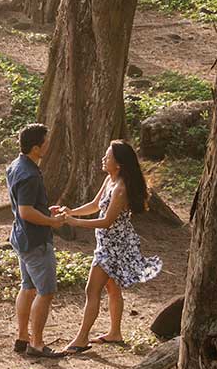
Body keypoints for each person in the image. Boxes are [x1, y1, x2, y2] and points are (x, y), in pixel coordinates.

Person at [58, 141, 162, 353]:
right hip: (107, 243)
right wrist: (72, 212)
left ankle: (81, 339)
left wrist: (75, 223)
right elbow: (95, 206)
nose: (104, 159)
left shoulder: (121, 189)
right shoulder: (109, 180)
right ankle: (115, 333)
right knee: (112, 289)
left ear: (119, 164)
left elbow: (107, 221)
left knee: (91, 289)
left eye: (108, 156)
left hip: (115, 247)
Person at [5, 123, 67, 359]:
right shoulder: (30, 174)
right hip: (35, 241)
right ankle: (38, 344)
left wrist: (45, 209)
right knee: (46, 291)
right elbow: (26, 211)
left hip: (22, 238)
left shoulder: (16, 166)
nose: (48, 145)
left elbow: (27, 206)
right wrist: (51, 221)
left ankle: (23, 337)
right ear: (35, 147)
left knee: (28, 286)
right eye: (45, 142)